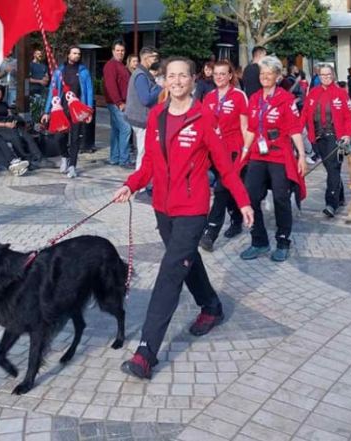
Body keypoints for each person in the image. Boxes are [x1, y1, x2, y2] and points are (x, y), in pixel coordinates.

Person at [112, 56, 254, 380]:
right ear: (164, 80)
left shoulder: (204, 118)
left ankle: (146, 353)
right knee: (186, 260)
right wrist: (130, 185)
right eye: (170, 76)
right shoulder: (157, 115)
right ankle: (211, 306)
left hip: (192, 209)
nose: (176, 81)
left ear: (193, 80)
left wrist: (244, 201)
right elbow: (147, 164)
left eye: (182, 76)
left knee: (170, 272)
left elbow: (224, 166)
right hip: (162, 208)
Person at [238, 56, 308, 262]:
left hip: (279, 154)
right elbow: (251, 129)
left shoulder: (285, 98)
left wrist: (302, 155)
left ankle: (283, 241)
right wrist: (244, 151)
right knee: (250, 196)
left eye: (269, 74)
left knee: (280, 198)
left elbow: (294, 129)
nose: (265, 77)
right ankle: (258, 241)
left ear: (277, 77)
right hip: (258, 154)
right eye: (262, 74)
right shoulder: (254, 98)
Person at [199, 60, 249, 252]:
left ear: (230, 76)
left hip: (233, 150)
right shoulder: (209, 97)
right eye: (216, 74)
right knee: (222, 188)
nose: (219, 77)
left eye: (223, 74)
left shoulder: (239, 96)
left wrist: (246, 154)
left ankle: (210, 233)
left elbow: (245, 127)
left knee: (221, 189)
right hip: (212, 151)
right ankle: (236, 219)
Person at [303, 64, 351, 218]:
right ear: (318, 77)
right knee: (331, 168)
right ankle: (340, 196)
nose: (325, 77)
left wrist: (348, 135)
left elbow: (348, 117)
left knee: (332, 167)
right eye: (322, 75)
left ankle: (331, 203)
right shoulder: (313, 93)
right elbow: (304, 114)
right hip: (318, 137)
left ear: (333, 76)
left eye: (328, 75)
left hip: (335, 136)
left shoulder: (341, 94)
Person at [42, 46, 94, 178]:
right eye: (74, 53)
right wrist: (47, 111)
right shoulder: (59, 72)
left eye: (78, 54)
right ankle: (65, 157)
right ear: (68, 54)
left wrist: (89, 111)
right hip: (62, 109)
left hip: (77, 110)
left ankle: (72, 166)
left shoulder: (83, 71)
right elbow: (52, 92)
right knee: (59, 136)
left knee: (75, 138)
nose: (76, 55)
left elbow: (88, 91)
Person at [0, 85, 43, 168]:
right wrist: (5, 125)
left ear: (2, 96)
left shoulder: (3, 104)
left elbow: (9, 114)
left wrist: (14, 121)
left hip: (9, 123)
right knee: (14, 137)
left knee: (26, 135)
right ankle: (26, 159)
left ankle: (38, 158)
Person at [124, 46, 162, 176]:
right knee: (143, 152)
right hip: (141, 119)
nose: (156, 60)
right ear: (146, 58)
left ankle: (142, 181)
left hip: (140, 118)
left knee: (144, 151)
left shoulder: (142, 73)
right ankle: (140, 184)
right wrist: (159, 88)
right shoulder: (141, 75)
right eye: (154, 57)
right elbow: (145, 99)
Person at [103, 40, 133, 168]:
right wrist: (119, 102)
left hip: (118, 103)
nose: (120, 53)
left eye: (122, 50)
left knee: (116, 131)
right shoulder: (111, 65)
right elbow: (111, 86)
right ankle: (124, 159)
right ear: (113, 51)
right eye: (118, 50)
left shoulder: (120, 65)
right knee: (126, 129)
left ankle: (115, 158)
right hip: (117, 103)